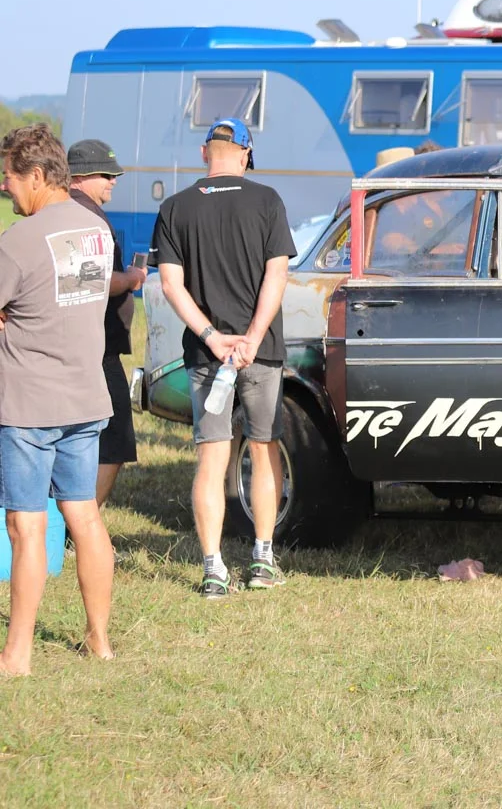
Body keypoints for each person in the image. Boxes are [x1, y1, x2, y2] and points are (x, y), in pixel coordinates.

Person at [150, 118, 297, 598]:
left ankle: (213, 569)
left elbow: (171, 285)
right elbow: (277, 276)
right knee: (263, 449)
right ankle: (262, 560)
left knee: (211, 458)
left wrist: (212, 337)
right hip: (260, 352)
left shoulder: (175, 207)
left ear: (203, 153)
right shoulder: (268, 201)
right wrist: (251, 337)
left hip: (206, 354)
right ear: (246, 155)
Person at [0, 124, 116, 673]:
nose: (6, 186)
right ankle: (100, 640)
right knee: (85, 517)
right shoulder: (97, 230)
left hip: (29, 405)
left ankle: (17, 653)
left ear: (38, 176)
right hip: (86, 398)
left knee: (26, 527)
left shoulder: (18, 240)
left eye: (10, 176)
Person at [67, 139, 148, 503]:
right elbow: (93, 281)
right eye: (106, 174)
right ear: (80, 176)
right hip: (97, 349)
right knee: (115, 442)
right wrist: (131, 278)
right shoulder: (89, 217)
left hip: (76, 345)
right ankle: (80, 523)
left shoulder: (64, 211)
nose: (113, 181)